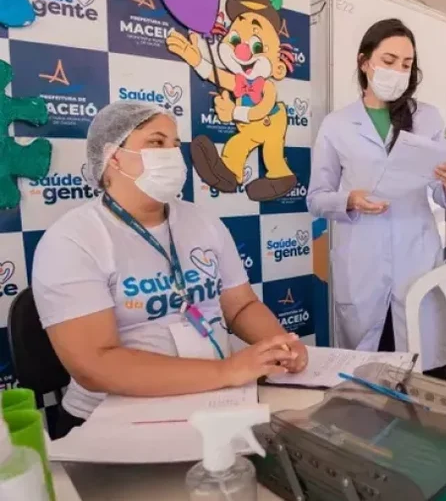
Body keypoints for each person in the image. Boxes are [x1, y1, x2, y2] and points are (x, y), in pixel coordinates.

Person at [31, 101, 309, 438]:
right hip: (114, 419)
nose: (173, 154)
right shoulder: (73, 239)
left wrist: (279, 344)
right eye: (156, 142)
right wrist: (228, 370)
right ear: (113, 156)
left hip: (217, 398)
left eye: (175, 144)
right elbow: (95, 364)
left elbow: (241, 305)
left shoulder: (202, 221)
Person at [307, 19, 446, 376]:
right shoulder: (337, 124)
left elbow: (443, 195)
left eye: (407, 65)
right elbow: (316, 198)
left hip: (416, 257)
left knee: (422, 368)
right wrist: (350, 200)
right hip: (362, 262)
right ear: (365, 62)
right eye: (389, 60)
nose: (398, 71)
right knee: (370, 372)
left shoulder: (427, 117)